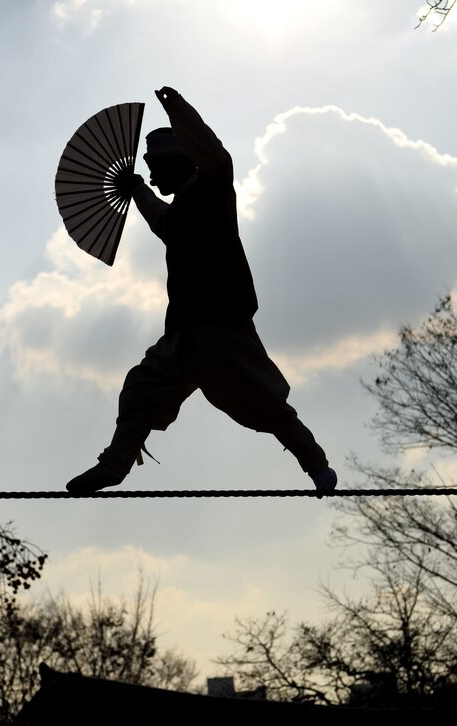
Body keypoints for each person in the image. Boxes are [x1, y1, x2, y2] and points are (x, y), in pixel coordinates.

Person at [66, 86, 336, 496]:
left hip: (222, 328)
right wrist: (137, 190)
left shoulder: (212, 188)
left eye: (156, 167)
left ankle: (315, 463)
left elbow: (215, 155)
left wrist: (177, 111)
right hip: (183, 334)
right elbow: (161, 219)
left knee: (261, 402)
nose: (152, 176)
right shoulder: (179, 214)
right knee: (142, 388)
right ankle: (116, 463)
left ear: (181, 160)